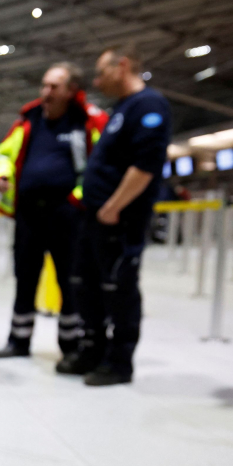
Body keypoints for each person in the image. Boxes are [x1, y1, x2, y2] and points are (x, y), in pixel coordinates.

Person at [62, 43, 171, 385]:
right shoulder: (122, 109)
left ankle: (119, 361)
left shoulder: (148, 104)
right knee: (86, 284)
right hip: (94, 216)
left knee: (119, 285)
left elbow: (146, 165)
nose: (97, 80)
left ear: (122, 66)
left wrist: (113, 206)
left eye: (101, 72)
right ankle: (93, 349)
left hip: (118, 219)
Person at [0, 63, 108, 360]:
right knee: (24, 277)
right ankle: (19, 340)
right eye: (44, 85)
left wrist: (76, 199)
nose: (46, 92)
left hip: (66, 216)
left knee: (70, 279)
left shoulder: (83, 124)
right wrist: (1, 174)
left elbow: (95, 167)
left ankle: (70, 344)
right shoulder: (27, 122)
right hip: (29, 215)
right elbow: (4, 153)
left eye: (53, 87)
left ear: (71, 91)